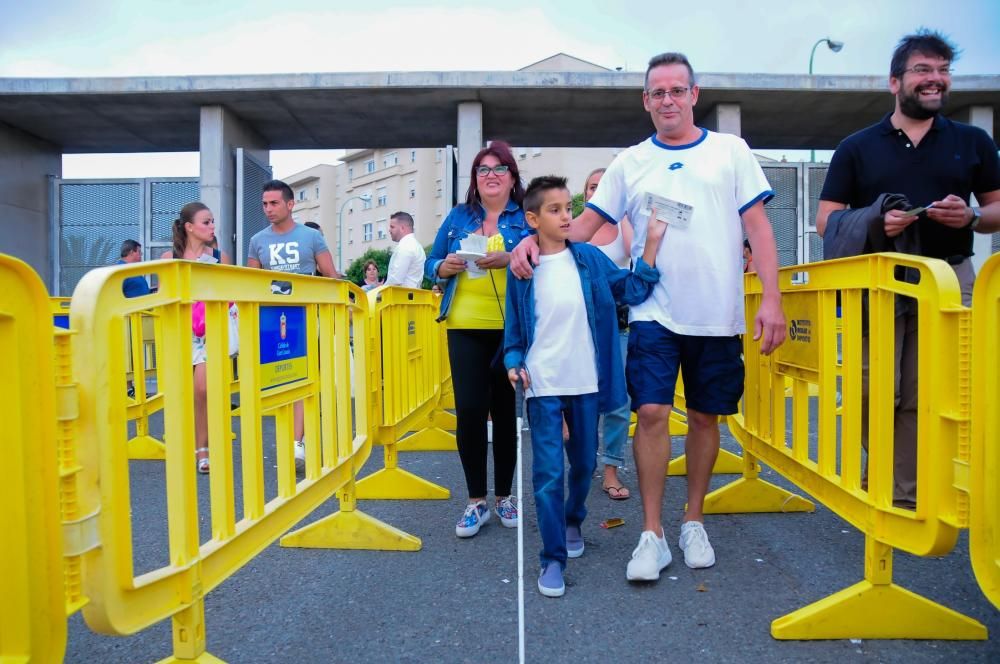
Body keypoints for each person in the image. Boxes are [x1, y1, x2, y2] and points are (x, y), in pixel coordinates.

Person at [511, 52, 786, 580]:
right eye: (657, 92)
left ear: (693, 95)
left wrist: (772, 298)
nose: (667, 100)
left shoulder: (731, 151)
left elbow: (760, 228)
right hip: (653, 312)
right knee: (653, 414)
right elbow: (585, 225)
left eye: (676, 90)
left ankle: (694, 520)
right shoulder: (630, 162)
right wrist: (531, 243)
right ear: (645, 101)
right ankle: (652, 533)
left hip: (717, 314)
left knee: (706, 418)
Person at [816, 29, 1000, 508]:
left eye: (942, 71)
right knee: (867, 389)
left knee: (930, 392)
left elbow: (997, 208)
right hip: (877, 286)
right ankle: (880, 466)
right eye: (923, 70)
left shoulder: (973, 142)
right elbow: (825, 220)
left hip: (950, 280)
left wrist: (974, 216)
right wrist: (877, 218)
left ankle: (904, 492)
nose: (935, 79)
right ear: (894, 82)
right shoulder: (856, 147)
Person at [505, 175, 665, 597]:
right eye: (555, 210)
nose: (566, 216)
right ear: (532, 219)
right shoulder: (522, 268)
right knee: (547, 474)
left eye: (568, 209)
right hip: (542, 383)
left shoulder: (590, 260)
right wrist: (512, 363)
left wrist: (650, 245)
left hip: (586, 382)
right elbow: (514, 334)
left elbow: (631, 289)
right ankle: (552, 558)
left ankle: (574, 518)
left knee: (584, 466)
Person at [425, 140, 527, 538]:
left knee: (505, 412)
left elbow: (544, 254)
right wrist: (445, 266)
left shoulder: (524, 217)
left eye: (499, 168)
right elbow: (432, 262)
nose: (491, 176)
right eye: (483, 170)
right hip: (464, 325)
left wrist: (511, 255)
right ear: (474, 179)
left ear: (512, 177)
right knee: (469, 412)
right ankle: (475, 501)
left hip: (510, 326)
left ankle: (504, 496)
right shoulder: (457, 217)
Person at [248, 179, 340, 471]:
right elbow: (252, 282)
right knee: (280, 380)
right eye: (264, 204)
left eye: (274, 203)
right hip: (271, 322)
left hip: (306, 317)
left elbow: (331, 276)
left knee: (304, 380)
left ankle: (297, 441)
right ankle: (296, 438)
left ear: (290, 204)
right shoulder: (257, 240)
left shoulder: (310, 237)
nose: (268, 209)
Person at [160, 202, 233, 473]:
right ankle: (190, 443)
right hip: (180, 329)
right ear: (189, 227)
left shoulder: (219, 256)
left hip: (209, 330)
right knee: (183, 392)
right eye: (206, 222)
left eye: (213, 221)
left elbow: (229, 292)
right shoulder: (170, 259)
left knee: (202, 389)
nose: (212, 226)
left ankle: (205, 449)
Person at [583, 167, 635, 500]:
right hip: (580, 327)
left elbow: (635, 249)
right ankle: (583, 460)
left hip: (618, 324)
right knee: (581, 398)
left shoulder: (623, 226)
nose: (597, 192)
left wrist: (623, 213)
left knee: (619, 401)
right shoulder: (574, 228)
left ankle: (611, 469)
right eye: (591, 188)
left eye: (604, 188)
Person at [384, 211, 426, 288]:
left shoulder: (405, 247)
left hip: (400, 297)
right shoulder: (417, 246)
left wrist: (376, 294)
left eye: (392, 227)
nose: (389, 230)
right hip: (411, 295)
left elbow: (395, 280)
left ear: (402, 228)